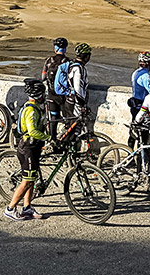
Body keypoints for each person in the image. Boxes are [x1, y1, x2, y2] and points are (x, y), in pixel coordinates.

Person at [5, 78, 55, 221]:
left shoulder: (38, 107)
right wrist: (48, 137)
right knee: (27, 181)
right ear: (38, 94)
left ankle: (27, 208)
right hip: (27, 148)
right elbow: (32, 131)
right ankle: (10, 209)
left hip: (34, 147)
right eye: (43, 93)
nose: (45, 96)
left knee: (32, 179)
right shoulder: (31, 110)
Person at [57, 42, 91, 128]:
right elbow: (77, 88)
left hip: (69, 100)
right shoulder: (78, 69)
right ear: (86, 56)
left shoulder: (72, 65)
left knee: (70, 126)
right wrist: (82, 104)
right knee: (74, 127)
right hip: (75, 103)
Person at [41, 37, 70, 140]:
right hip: (63, 96)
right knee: (68, 119)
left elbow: (43, 77)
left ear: (55, 48)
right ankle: (65, 142)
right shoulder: (67, 62)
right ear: (65, 49)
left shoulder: (49, 60)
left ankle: (52, 140)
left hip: (51, 94)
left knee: (54, 117)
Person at [129, 51, 150, 147]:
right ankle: (141, 157)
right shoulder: (146, 76)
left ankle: (130, 153)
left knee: (134, 130)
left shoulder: (136, 72)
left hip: (134, 104)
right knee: (143, 134)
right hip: (141, 106)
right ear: (149, 63)